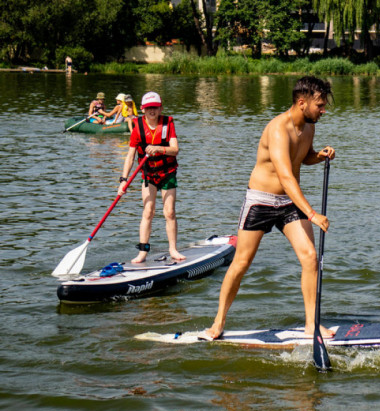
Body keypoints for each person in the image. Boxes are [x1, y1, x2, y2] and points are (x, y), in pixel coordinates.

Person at [205, 76, 336, 341]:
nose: (323, 110)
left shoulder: (308, 127)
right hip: (261, 201)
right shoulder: (278, 129)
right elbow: (286, 176)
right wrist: (312, 214)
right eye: (319, 105)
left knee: (310, 258)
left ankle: (311, 324)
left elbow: (302, 156)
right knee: (241, 263)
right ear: (302, 103)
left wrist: (319, 156)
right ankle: (218, 323)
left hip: (289, 203)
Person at [118, 91, 186, 264]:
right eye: (148, 108)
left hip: (167, 173)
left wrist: (158, 149)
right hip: (149, 175)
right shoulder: (137, 127)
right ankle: (143, 252)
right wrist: (123, 180)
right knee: (149, 211)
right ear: (142, 110)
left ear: (160, 108)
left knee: (169, 212)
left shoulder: (168, 124)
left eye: (155, 107)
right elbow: (130, 156)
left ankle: (173, 249)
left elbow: (175, 149)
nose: (152, 111)